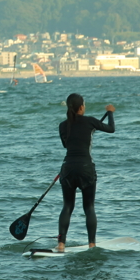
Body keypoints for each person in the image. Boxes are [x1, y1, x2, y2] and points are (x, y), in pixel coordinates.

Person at [56, 93, 115, 252]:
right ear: (81, 107)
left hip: (68, 168)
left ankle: (61, 244)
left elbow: (66, 145)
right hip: (86, 169)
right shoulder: (90, 121)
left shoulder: (63, 125)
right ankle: (91, 244)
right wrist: (109, 112)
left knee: (67, 206)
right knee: (89, 207)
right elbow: (111, 129)